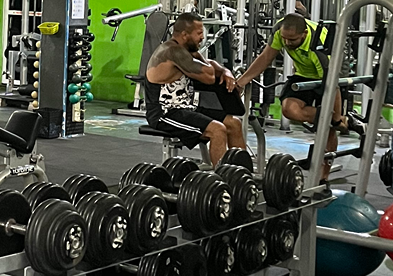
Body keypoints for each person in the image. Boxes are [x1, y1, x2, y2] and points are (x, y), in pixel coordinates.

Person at [235, 13, 363, 181]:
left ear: (304, 34)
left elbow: (333, 86)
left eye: (292, 40)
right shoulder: (280, 31)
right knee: (290, 109)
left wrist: (336, 118)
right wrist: (241, 81)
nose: (287, 43)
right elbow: (266, 57)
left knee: (329, 127)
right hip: (304, 73)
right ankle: (342, 120)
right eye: (285, 39)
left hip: (332, 74)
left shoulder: (319, 47)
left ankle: (322, 178)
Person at [144, 13, 246, 166]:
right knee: (217, 130)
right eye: (199, 33)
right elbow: (209, 76)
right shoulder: (173, 51)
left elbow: (210, 63)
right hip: (164, 113)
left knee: (234, 124)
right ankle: (223, 176)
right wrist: (214, 68)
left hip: (186, 108)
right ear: (185, 35)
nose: (202, 37)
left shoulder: (185, 50)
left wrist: (226, 72)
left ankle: (241, 173)